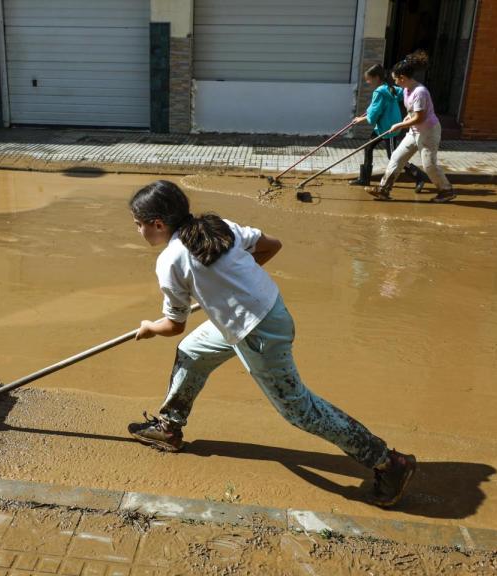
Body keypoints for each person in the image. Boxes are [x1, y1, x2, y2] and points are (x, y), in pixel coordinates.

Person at [127, 180, 417, 508]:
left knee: (300, 410)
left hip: (257, 333)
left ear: (158, 224)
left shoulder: (170, 261)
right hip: (266, 310)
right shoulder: (218, 226)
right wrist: (233, 284)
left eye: (138, 224)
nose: (138, 231)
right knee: (193, 352)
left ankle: (388, 462)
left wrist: (149, 327)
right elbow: (271, 245)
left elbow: (173, 325)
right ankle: (169, 426)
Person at [370, 51, 456, 203]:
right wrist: (407, 118)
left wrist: (399, 125)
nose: (395, 82)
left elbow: (420, 117)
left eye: (395, 79)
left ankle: (446, 191)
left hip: (428, 132)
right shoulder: (406, 89)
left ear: (402, 78)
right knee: (397, 157)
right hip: (414, 131)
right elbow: (413, 113)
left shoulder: (420, 92)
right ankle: (384, 189)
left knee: (429, 165)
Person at [351, 64, 428, 190]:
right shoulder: (389, 88)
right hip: (381, 127)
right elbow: (380, 105)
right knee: (368, 148)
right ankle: (364, 179)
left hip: (390, 128)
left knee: (393, 156)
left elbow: (375, 111)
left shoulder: (379, 92)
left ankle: (419, 176)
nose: (368, 82)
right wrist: (363, 116)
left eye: (369, 79)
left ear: (376, 78)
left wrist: (363, 119)